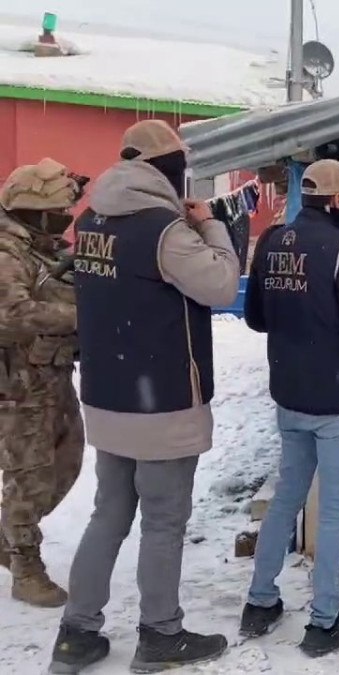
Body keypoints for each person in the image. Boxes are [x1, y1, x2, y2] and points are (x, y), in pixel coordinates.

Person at [52, 119, 240, 673]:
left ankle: (76, 635)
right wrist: (212, 228)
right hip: (161, 402)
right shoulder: (164, 230)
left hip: (109, 396)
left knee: (108, 513)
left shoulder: (91, 220)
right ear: (166, 169)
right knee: (163, 521)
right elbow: (221, 285)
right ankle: (160, 635)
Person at [239, 159, 339, 657]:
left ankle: (260, 602)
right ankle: (325, 622)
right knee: (335, 512)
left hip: (291, 392)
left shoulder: (271, 241)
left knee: (287, 497)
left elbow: (256, 317)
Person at [0, 159, 87, 609]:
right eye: (57, 213)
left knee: (67, 462)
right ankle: (26, 567)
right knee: (28, 474)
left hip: (53, 373)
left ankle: (8, 533)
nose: (65, 219)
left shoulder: (39, 248)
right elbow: (10, 315)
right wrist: (80, 316)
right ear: (33, 212)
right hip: (20, 384)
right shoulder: (7, 252)